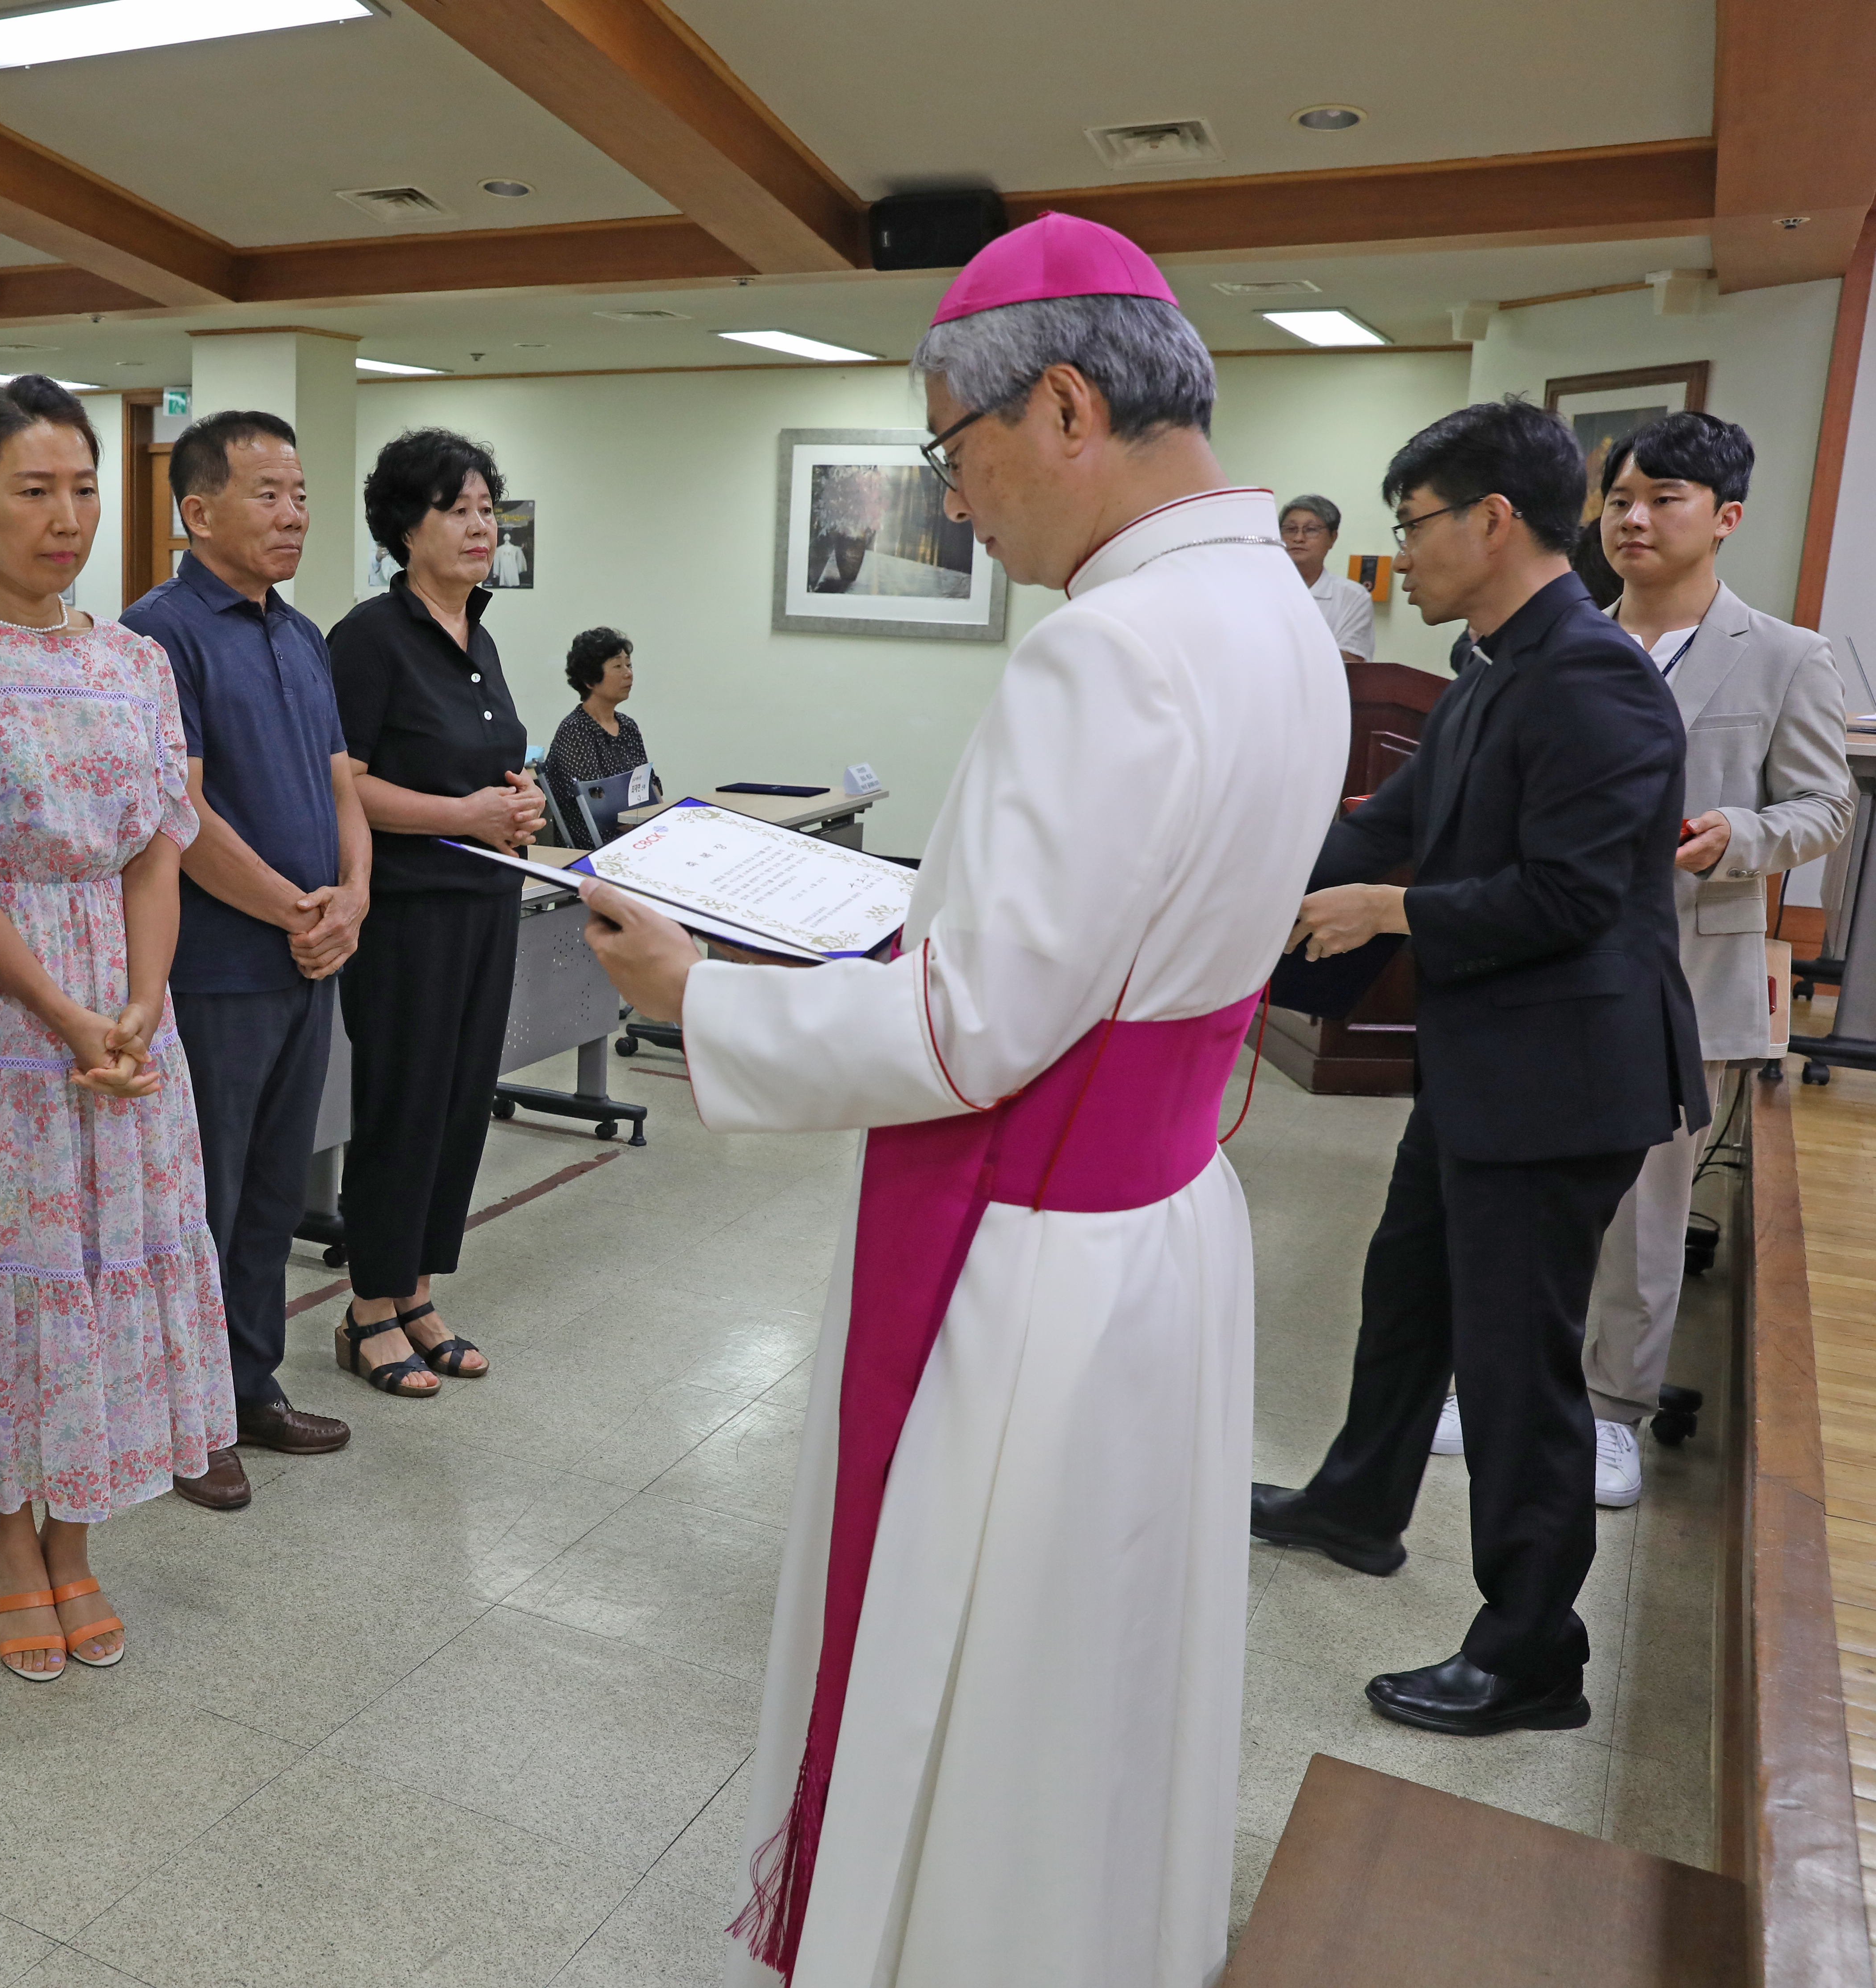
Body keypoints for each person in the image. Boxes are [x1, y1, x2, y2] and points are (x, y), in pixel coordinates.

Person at [582, 212, 1346, 1986]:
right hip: (1164, 1218)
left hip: (1036, 1266)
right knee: (1103, 1676)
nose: (959, 501)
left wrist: (704, 1000)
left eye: (956, 450)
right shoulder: (1276, 613)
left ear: (1063, 405)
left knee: (988, 1668)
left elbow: (972, 1034)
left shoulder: (1106, 647)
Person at [1255, 398, 1705, 1741]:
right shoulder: (1487, 670)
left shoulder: (1592, 674)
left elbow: (1567, 895)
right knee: (1404, 1289)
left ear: (1491, 519)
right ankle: (1355, 1498)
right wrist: (1240, 892)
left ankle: (1529, 1649)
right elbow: (1385, 825)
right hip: (1481, 1061)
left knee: (1515, 1370)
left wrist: (1387, 911)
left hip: (1561, 1077)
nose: (1404, 551)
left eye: (1413, 524)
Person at [0, 376, 231, 1675]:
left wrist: (137, 1005)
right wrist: (62, 1007)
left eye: (83, 488)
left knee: (105, 1265)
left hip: (128, 1016)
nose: (65, 515)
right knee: (11, 1277)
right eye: (33, 489)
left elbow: (156, 845)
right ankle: (8, 1540)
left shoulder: (135, 658)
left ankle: (76, 1535)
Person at [1574, 412, 1850, 1504]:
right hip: (1556, 964)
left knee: (1646, 1204)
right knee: (1532, 1191)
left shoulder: (1784, 655)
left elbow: (1826, 806)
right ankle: (1509, 1377)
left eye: (1663, 499)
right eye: (1620, 498)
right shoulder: (1570, 641)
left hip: (1689, 964)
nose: (1633, 519)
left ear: (1726, 518)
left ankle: (1612, 1412)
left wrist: (1739, 835)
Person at [122, 407, 366, 1512]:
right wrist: (292, 909)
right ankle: (185, 1420)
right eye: (267, 494)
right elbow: (182, 806)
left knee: (273, 1193)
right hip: (218, 968)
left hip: (308, 962)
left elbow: (337, 780)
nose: (292, 516)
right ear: (199, 509)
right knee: (203, 1205)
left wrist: (351, 896)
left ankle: (252, 1388)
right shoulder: (157, 635)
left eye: (301, 495)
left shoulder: (302, 633)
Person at [327, 427, 540, 1396]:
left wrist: (519, 798)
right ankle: (368, 1305)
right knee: (404, 1102)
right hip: (407, 912)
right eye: (458, 509)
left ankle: (417, 1289)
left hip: (486, 901)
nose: (480, 526)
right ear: (405, 527)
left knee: (460, 1102)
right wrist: (466, 813)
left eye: (488, 509)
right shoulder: (369, 639)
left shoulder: (479, 633)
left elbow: (481, 768)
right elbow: (345, 788)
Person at [542, 626, 647, 847]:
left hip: (638, 836)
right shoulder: (575, 731)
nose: (628, 673)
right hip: (596, 847)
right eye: (617, 666)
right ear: (590, 680)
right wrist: (651, 829)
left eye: (629, 665)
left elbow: (649, 788)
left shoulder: (628, 727)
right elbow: (599, 805)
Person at [1280, 493, 1375, 664]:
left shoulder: (1354, 597)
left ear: (1333, 538)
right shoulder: (1258, 590)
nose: (1298, 538)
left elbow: (1352, 661)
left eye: (1311, 530)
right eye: (1290, 529)